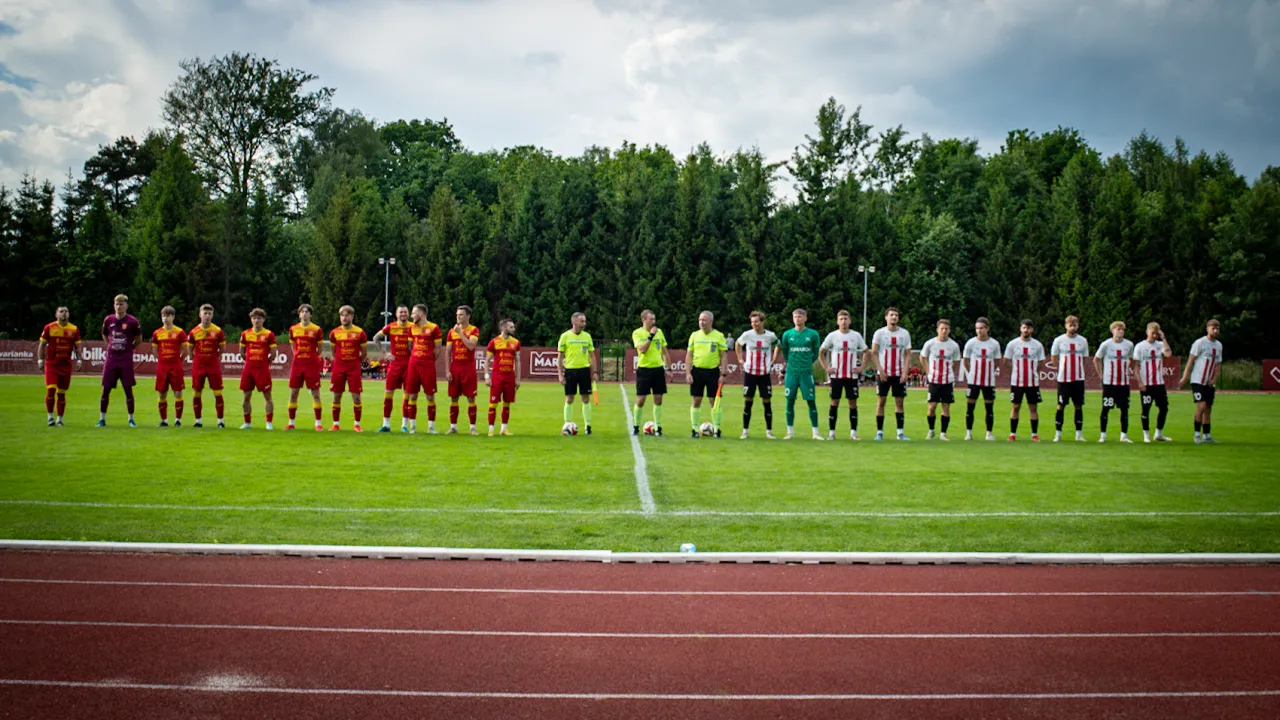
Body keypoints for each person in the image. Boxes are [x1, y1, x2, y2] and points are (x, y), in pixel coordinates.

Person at [819, 310, 866, 441]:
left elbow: (866, 351)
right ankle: (832, 433)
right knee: (834, 402)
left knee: (852, 403)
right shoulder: (832, 336)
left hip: (852, 376)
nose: (843, 321)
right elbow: (821, 351)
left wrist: (861, 367)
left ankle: (853, 433)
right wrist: (826, 368)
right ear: (837, 321)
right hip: (836, 376)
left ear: (849, 321)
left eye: (846, 318)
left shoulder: (856, 336)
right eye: (841, 319)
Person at [97, 294, 141, 427]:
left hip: (125, 360)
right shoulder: (108, 320)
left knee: (128, 389)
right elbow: (104, 335)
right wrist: (110, 345)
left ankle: (131, 419)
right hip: (111, 359)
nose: (119, 306)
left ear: (126, 306)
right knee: (105, 389)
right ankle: (102, 419)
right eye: (116, 304)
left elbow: (138, 340)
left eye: (121, 304)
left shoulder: (132, 321)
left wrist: (128, 349)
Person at [779, 308, 823, 440]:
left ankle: (815, 433)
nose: (797, 319)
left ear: (805, 318)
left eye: (800, 316)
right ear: (792, 319)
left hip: (806, 373)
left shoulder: (813, 334)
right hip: (791, 373)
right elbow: (786, 353)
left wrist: (806, 363)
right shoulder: (787, 335)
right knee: (789, 401)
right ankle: (790, 432)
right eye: (795, 317)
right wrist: (793, 364)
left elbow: (815, 353)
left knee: (811, 401)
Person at [870, 307, 912, 441]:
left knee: (899, 403)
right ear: (886, 317)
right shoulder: (879, 333)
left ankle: (900, 433)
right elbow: (874, 352)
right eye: (891, 315)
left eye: (896, 315)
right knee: (881, 401)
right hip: (884, 374)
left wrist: (905, 372)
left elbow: (907, 354)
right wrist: (880, 370)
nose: (894, 317)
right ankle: (879, 432)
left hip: (899, 374)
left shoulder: (904, 334)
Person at [37, 306, 83, 426]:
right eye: (61, 312)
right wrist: (40, 361)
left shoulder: (74, 329)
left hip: (66, 365)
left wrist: (79, 361)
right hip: (52, 364)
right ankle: (50, 418)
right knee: (51, 390)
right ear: (56, 315)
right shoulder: (49, 327)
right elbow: (42, 345)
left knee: (61, 393)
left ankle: (60, 419)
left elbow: (78, 347)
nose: (64, 314)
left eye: (66, 311)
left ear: (68, 314)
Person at [684, 311, 728, 438]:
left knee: (714, 401)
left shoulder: (718, 336)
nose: (701, 322)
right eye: (700, 320)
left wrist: (723, 374)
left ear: (711, 321)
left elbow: (723, 356)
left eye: (704, 320)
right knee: (696, 399)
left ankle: (717, 429)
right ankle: (695, 429)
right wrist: (688, 373)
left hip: (713, 372)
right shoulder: (694, 335)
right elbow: (689, 355)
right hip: (697, 371)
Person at [737, 311, 779, 440]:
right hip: (750, 373)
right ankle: (745, 431)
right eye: (752, 322)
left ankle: (769, 431)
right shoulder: (747, 335)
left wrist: (774, 360)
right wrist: (740, 360)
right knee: (748, 401)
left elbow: (778, 345)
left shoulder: (770, 336)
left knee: (767, 402)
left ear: (762, 322)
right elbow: (738, 344)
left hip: (764, 374)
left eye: (756, 322)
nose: (754, 324)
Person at [1180, 318, 1224, 444]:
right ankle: (1196, 435)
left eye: (1217, 329)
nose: (1215, 331)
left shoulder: (1219, 345)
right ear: (1207, 328)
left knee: (1208, 408)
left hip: (1209, 382)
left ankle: (1207, 435)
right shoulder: (1200, 343)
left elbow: (1218, 364)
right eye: (1213, 328)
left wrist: (1214, 377)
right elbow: (1190, 360)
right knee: (1202, 405)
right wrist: (1185, 377)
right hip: (1198, 380)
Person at [373, 305, 415, 433]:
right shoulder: (391, 327)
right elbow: (376, 338)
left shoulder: (413, 327)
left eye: (405, 312)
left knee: (407, 396)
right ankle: (386, 424)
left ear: (408, 314)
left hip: (409, 365)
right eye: (401, 312)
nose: (403, 314)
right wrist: (384, 353)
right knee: (388, 394)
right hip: (395, 365)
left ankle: (404, 425)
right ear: (396, 314)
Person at [1003, 319, 1045, 442]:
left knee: (1033, 408)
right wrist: (1016, 370)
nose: (1026, 330)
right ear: (1020, 329)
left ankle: (1034, 435)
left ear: (1032, 329)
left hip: (1032, 382)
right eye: (1024, 328)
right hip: (1017, 382)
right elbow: (1006, 361)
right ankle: (1012, 434)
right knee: (1015, 407)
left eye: (1028, 328)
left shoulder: (1037, 345)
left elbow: (1041, 362)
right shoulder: (1013, 344)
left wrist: (1033, 372)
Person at [328, 305, 368, 432]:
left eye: (346, 315)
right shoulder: (334, 333)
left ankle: (357, 424)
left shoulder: (360, 333)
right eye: (342, 315)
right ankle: (335, 424)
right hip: (339, 367)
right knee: (336, 396)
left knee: (356, 396)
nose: (344, 318)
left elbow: (364, 353)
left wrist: (354, 361)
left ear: (352, 316)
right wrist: (341, 360)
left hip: (353, 368)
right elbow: (334, 352)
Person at [919, 319, 961, 441]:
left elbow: (957, 361)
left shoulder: (954, 345)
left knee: (946, 406)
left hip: (947, 380)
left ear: (949, 330)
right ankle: (931, 430)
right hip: (934, 380)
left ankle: (943, 433)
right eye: (942, 328)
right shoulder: (930, 343)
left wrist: (951, 371)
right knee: (932, 406)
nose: (944, 331)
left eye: (946, 329)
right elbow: (922, 357)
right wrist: (928, 371)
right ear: (937, 329)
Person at [1050, 315, 1090, 442]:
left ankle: (1079, 434)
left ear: (1078, 325)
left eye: (1075, 325)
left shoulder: (1083, 341)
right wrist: (1060, 369)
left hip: (1078, 378)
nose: (1073, 327)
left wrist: (1080, 370)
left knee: (1078, 405)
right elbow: (1054, 357)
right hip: (1064, 379)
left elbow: (1084, 358)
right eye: (1070, 325)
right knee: (1061, 405)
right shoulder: (1059, 340)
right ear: (1065, 325)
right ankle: (1058, 434)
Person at [285, 304, 324, 431]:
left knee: (315, 393)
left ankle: (318, 423)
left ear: (310, 315)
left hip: (311, 364)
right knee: (294, 393)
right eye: (302, 311)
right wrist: (299, 356)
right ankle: (291, 423)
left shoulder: (317, 329)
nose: (305, 314)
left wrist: (310, 357)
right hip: (298, 364)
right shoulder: (293, 329)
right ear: (299, 314)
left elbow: (320, 349)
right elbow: (293, 347)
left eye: (307, 312)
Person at [557, 312, 597, 435]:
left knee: (586, 399)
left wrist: (594, 372)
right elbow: (560, 357)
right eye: (581, 321)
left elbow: (592, 356)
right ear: (574, 322)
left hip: (584, 370)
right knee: (569, 399)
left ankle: (588, 426)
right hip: (570, 371)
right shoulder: (565, 336)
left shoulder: (587, 337)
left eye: (584, 321)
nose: (584, 324)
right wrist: (560, 374)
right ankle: (567, 424)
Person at [405, 304, 443, 434]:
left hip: (427, 366)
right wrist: (416, 357)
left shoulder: (434, 328)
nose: (411, 316)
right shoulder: (412, 328)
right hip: (414, 365)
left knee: (430, 396)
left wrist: (429, 360)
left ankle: (431, 427)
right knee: (412, 395)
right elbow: (410, 346)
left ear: (421, 314)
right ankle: (412, 427)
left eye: (413, 313)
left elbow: (438, 348)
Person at [1094, 321, 1134, 443]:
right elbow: (1096, 359)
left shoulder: (1129, 345)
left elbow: (1131, 358)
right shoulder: (1106, 344)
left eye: (1122, 329)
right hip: (1109, 383)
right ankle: (1103, 435)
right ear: (1112, 331)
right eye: (1118, 329)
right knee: (1105, 408)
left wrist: (1127, 367)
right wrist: (1101, 376)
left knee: (1124, 409)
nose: (1120, 331)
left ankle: (1123, 436)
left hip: (1123, 383)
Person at [1133, 322, 1174, 443]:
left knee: (1164, 408)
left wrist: (1164, 338)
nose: (1154, 335)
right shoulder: (1140, 346)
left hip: (1159, 383)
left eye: (1157, 333)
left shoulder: (1160, 345)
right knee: (1146, 409)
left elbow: (1168, 354)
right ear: (1147, 332)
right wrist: (1140, 382)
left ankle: (1158, 433)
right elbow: (1136, 366)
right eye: (1153, 333)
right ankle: (1146, 435)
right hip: (1147, 383)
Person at [962, 317, 1001, 441]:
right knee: (970, 407)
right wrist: (971, 373)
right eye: (977, 328)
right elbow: (966, 360)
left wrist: (990, 372)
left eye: (981, 328)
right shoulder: (971, 343)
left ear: (987, 329)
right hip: (974, 381)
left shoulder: (994, 344)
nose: (979, 331)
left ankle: (989, 433)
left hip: (989, 381)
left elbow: (996, 361)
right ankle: (969, 433)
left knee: (989, 407)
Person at [188, 304, 227, 428]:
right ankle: (198, 421)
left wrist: (213, 357)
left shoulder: (217, 331)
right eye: (205, 313)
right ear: (200, 315)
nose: (207, 316)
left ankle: (220, 421)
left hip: (213, 365)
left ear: (212, 315)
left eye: (209, 313)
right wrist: (196, 359)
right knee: (197, 392)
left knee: (218, 393)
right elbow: (190, 348)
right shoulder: (194, 331)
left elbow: (222, 349)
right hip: (198, 365)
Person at [632, 310, 670, 437]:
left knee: (658, 399)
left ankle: (658, 427)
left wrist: (669, 369)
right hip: (644, 370)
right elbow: (642, 349)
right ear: (643, 319)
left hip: (658, 369)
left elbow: (664, 352)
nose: (653, 322)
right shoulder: (637, 333)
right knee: (641, 399)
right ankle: (636, 427)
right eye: (650, 319)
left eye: (654, 319)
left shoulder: (659, 333)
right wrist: (650, 336)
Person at [445, 305, 481, 435]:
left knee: (471, 398)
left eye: (460, 315)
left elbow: (471, 346)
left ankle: (472, 428)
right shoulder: (451, 332)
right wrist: (448, 370)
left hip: (468, 367)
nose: (458, 317)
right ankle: (453, 427)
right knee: (454, 397)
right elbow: (448, 352)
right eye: (457, 315)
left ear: (468, 316)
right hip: (455, 368)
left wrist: (460, 333)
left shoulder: (474, 330)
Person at [238, 308, 277, 430]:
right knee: (246, 397)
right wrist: (250, 362)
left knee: (267, 396)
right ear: (251, 319)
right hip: (248, 369)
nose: (256, 320)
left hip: (262, 369)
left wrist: (265, 363)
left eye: (259, 318)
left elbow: (274, 353)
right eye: (254, 318)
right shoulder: (245, 334)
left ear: (263, 320)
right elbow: (241, 352)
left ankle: (269, 423)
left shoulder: (269, 334)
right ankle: (247, 422)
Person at [151, 306, 188, 428]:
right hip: (162, 367)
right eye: (163, 316)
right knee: (162, 394)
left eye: (168, 316)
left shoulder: (179, 332)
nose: (165, 318)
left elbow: (185, 349)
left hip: (175, 367)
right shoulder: (157, 333)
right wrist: (161, 360)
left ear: (173, 317)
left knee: (178, 393)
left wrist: (179, 360)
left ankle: (178, 420)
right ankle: (164, 420)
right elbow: (155, 349)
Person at [486, 319, 521, 436]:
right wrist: (487, 376)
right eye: (511, 327)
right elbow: (487, 361)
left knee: (507, 403)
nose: (513, 329)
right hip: (497, 377)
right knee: (493, 403)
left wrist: (518, 378)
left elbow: (517, 361)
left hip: (509, 377)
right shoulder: (494, 342)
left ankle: (504, 429)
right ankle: (491, 429)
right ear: (504, 328)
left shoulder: (515, 343)